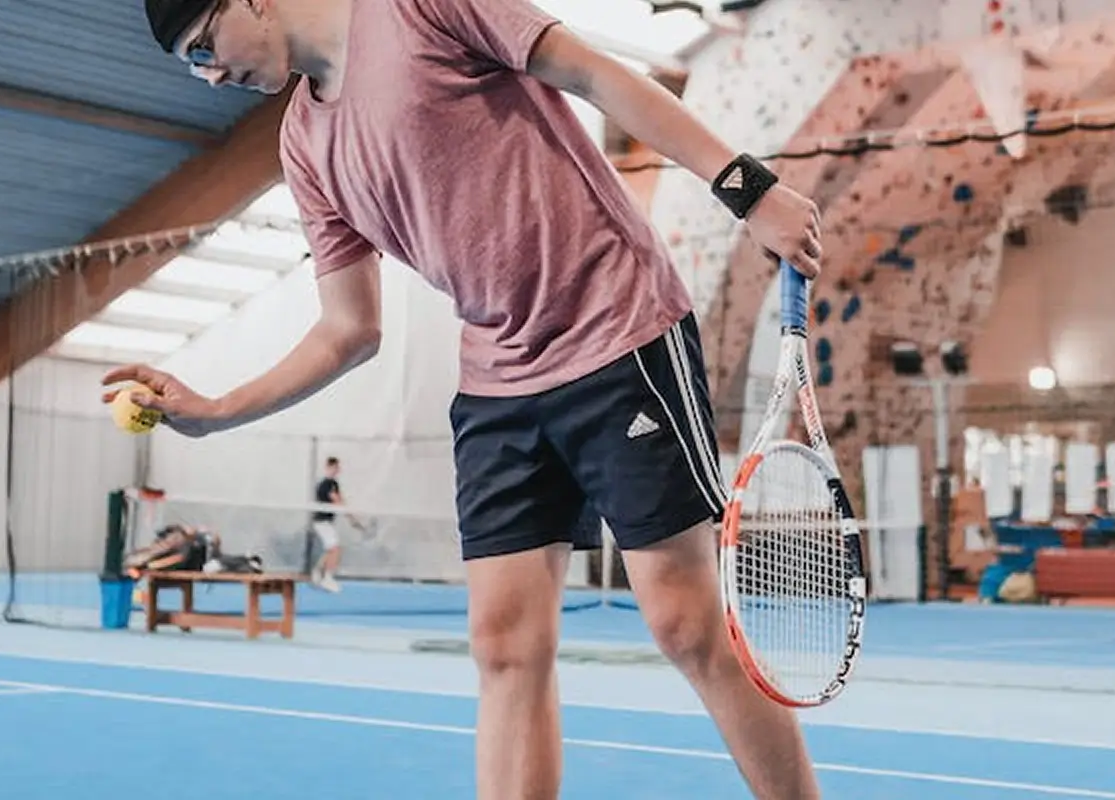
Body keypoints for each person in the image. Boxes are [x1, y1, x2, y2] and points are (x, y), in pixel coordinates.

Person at [111, 1, 826, 797]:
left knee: (684, 622)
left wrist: (747, 189)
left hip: (617, 331)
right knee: (503, 644)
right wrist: (216, 410)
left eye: (205, 46)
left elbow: (594, 74)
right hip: (498, 382)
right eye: (195, 63)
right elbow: (349, 328)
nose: (211, 75)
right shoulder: (304, 146)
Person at [310, 456, 344, 592]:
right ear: (328, 468)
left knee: (330, 549)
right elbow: (337, 500)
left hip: (324, 522)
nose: (336, 470)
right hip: (322, 522)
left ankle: (316, 572)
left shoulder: (332, 484)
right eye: (333, 467)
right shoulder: (327, 484)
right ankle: (327, 579)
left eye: (337, 468)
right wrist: (352, 517)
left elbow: (338, 500)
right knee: (335, 549)